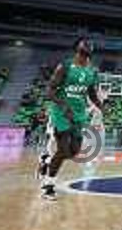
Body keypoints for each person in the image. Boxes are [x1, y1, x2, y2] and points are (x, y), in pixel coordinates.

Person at [37, 37, 103, 201]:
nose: (88, 44)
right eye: (84, 43)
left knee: (74, 151)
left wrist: (101, 106)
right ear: (77, 48)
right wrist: (64, 107)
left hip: (79, 114)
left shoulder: (92, 71)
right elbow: (50, 91)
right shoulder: (65, 66)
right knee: (63, 150)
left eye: (89, 43)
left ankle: (46, 161)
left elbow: (91, 93)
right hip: (61, 113)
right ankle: (48, 185)